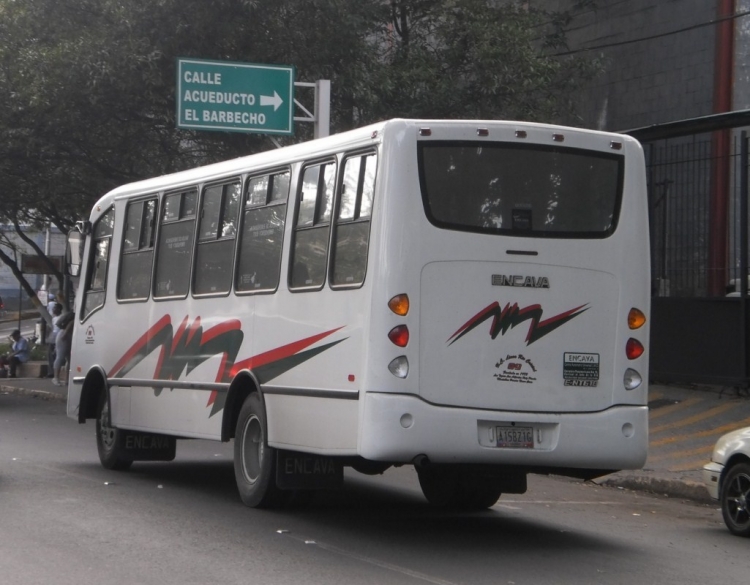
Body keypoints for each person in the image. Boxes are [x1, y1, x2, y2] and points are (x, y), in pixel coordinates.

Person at [52, 311, 74, 386]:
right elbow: (71, 324)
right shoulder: (75, 317)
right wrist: (65, 334)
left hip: (67, 336)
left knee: (69, 359)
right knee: (60, 357)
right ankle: (56, 378)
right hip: (64, 336)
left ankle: (67, 380)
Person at [46, 303, 63, 377]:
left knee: (57, 355)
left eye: (55, 308)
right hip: (53, 336)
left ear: (59, 309)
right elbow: (53, 329)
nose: (53, 310)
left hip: (59, 336)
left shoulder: (62, 317)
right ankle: (50, 372)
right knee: (50, 355)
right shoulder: (53, 318)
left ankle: (56, 372)